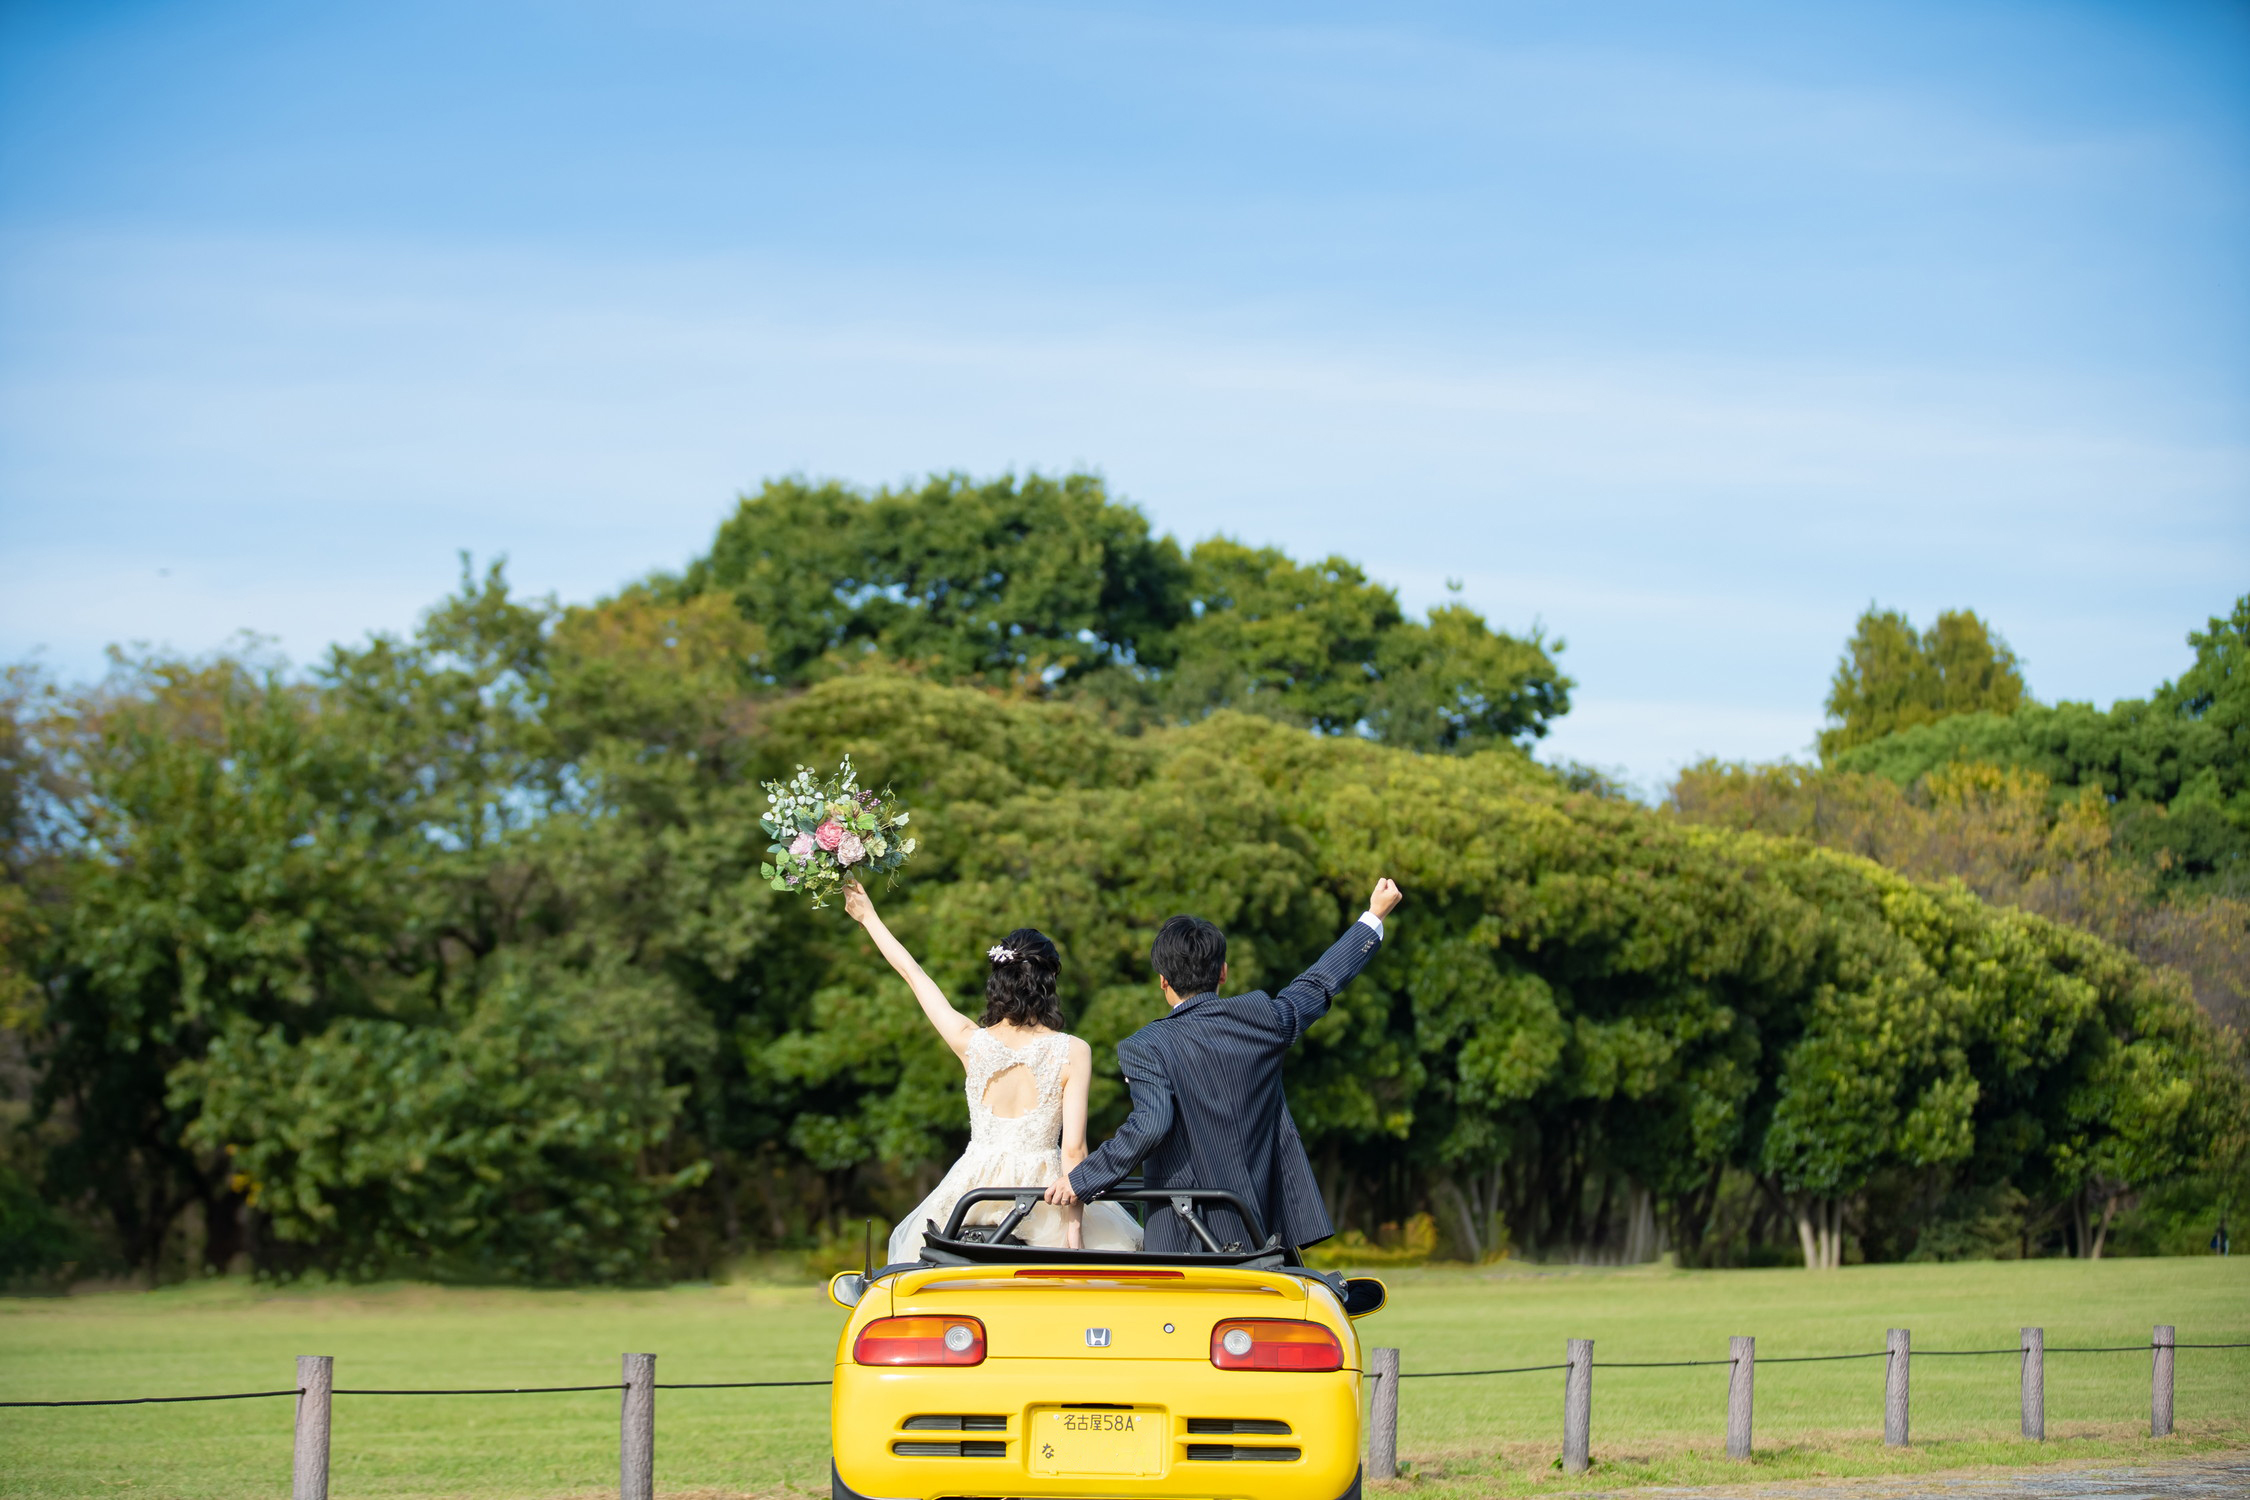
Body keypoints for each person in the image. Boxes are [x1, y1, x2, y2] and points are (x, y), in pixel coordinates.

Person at [1047, 878, 1404, 1254]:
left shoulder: (1145, 1046)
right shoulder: (1262, 1017)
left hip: (1182, 1242)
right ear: (1223, 972)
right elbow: (1318, 985)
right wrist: (1373, 916)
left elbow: (1150, 1124)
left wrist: (1081, 1179)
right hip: (1265, 1235)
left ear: (1163, 982)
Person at [844, 881, 1143, 1264]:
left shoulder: (970, 1041)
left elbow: (913, 975)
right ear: (1049, 984)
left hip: (974, 1189)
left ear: (998, 980)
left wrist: (868, 915)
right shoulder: (1073, 1050)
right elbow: (1074, 1151)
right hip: (1044, 1197)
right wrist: (1073, 1227)